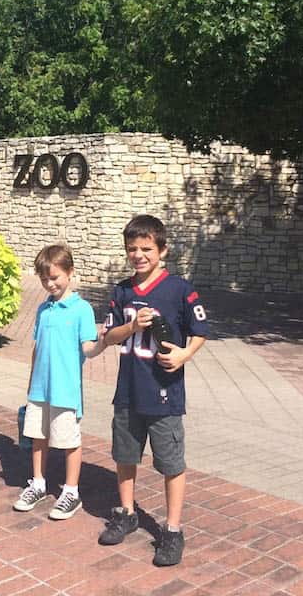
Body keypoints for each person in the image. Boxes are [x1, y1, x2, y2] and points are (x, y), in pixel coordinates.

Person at [98, 214, 209, 566]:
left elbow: (200, 328)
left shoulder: (179, 288)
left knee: (171, 463)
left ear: (162, 249)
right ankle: (126, 512)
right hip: (128, 391)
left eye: (146, 248)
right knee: (124, 456)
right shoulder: (122, 290)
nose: (139, 255)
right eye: (132, 249)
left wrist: (185, 354)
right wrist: (132, 326)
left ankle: (173, 529)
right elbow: (108, 336)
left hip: (164, 392)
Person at [13, 243, 106, 520]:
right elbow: (36, 347)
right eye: (44, 279)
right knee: (38, 436)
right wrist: (31, 383)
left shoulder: (82, 309)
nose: (49, 283)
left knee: (67, 440)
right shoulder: (44, 310)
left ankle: (71, 491)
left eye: (54, 277)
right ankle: (38, 483)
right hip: (40, 388)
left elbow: (88, 348)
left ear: (70, 273)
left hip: (65, 390)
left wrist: (103, 342)